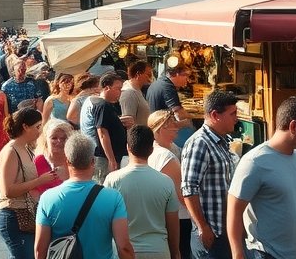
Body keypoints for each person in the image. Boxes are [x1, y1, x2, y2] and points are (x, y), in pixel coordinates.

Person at [228, 96, 296, 259]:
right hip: (265, 253)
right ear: (293, 126)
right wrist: (237, 253)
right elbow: (234, 208)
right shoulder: (254, 162)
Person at [35, 132, 135, 259]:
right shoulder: (113, 198)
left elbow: (40, 249)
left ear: (67, 161)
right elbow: (124, 247)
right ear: (92, 161)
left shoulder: (47, 198)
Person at [104, 125, 180, 259]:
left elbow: (106, 220)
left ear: (128, 147)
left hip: (123, 252)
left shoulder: (112, 180)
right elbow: (173, 224)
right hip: (159, 251)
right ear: (151, 150)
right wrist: (175, 252)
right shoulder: (166, 182)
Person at [181, 90, 240, 259]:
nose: (236, 118)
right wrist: (202, 227)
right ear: (215, 115)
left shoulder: (222, 141)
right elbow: (189, 189)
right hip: (211, 234)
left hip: (224, 231)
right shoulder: (199, 143)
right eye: (232, 114)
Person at [0, 107, 53, 259]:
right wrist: (39, 181)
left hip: (25, 214)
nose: (40, 131)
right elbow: (8, 190)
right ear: (25, 127)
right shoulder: (11, 151)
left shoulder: (26, 149)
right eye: (37, 127)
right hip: (13, 215)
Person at [149, 110, 191, 259]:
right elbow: (180, 194)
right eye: (173, 127)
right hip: (179, 218)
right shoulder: (165, 156)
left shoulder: (162, 150)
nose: (176, 130)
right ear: (160, 129)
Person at [79, 72, 127, 182]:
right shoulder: (102, 105)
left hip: (99, 155)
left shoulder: (94, 101)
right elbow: (102, 133)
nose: (120, 92)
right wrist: (111, 160)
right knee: (104, 184)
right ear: (107, 88)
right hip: (102, 157)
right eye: (118, 89)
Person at [147, 65, 191, 145]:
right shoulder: (168, 87)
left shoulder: (158, 82)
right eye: (186, 76)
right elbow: (179, 115)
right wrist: (190, 119)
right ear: (177, 74)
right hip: (163, 131)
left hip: (157, 130)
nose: (187, 80)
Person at [34, 118, 73, 193]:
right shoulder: (39, 161)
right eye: (54, 138)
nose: (59, 141)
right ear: (46, 140)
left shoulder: (73, 161)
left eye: (64, 138)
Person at [121, 61, 153, 130]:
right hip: (136, 137)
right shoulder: (129, 93)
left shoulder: (137, 90)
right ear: (138, 74)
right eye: (148, 75)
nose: (150, 79)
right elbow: (128, 123)